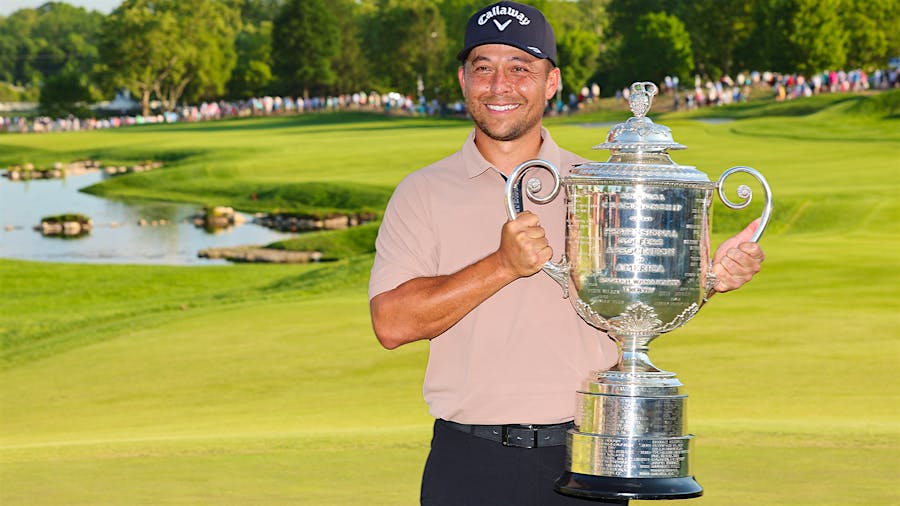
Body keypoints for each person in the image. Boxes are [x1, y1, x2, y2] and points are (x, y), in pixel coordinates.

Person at [368, 2, 765, 504]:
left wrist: (705, 278)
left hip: (589, 459)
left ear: (551, 81)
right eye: (483, 67)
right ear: (463, 79)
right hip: (470, 462)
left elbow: (634, 305)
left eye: (520, 68)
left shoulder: (602, 185)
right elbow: (392, 324)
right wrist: (502, 265)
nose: (499, 85)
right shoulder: (422, 192)